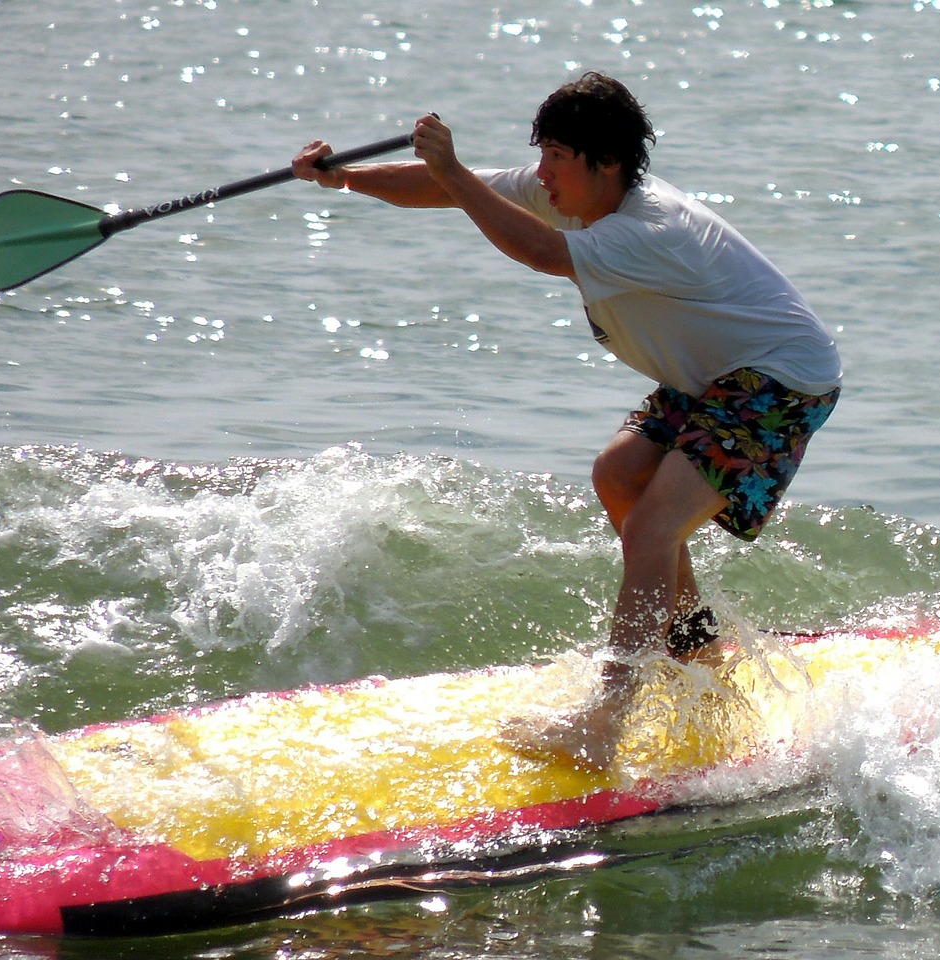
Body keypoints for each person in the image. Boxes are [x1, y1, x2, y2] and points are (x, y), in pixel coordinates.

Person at [292, 72, 841, 767]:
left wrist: (453, 171)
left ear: (606, 162)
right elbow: (450, 190)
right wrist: (345, 178)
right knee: (618, 476)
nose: (542, 172)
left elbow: (541, 251)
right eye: (542, 153)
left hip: (782, 380)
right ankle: (702, 663)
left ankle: (607, 723)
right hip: (715, 375)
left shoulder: (650, 229)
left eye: (556, 155)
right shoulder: (577, 191)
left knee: (652, 525)